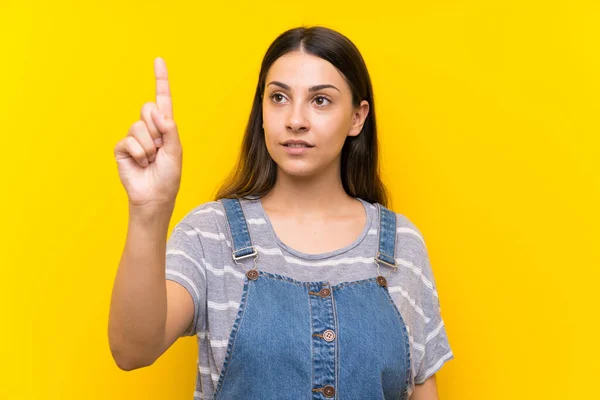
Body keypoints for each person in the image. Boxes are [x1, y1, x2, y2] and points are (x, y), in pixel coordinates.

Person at [109, 26, 453, 400]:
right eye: (278, 98)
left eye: (320, 100)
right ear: (261, 111)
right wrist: (149, 213)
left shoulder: (401, 245)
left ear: (357, 117)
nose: (295, 119)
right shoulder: (211, 234)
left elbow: (422, 390)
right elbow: (132, 350)